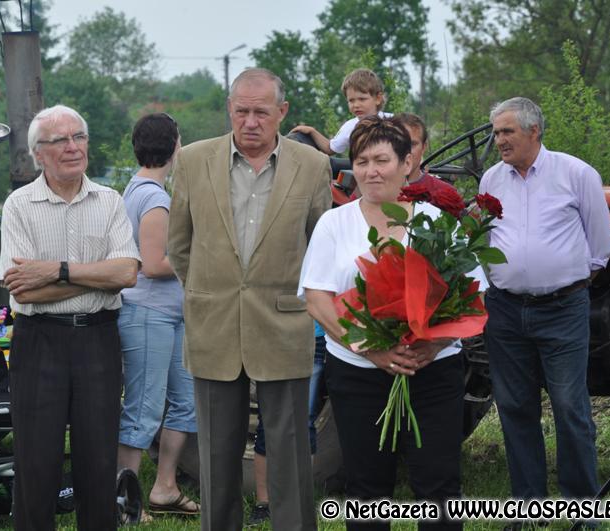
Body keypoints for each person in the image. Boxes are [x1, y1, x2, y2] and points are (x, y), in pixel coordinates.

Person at [167, 67, 332, 531]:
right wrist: (210, 290)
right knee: (217, 452)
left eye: (262, 111)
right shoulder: (194, 161)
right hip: (213, 324)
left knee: (290, 451)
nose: (251, 121)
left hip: (285, 324)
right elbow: (179, 246)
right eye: (242, 110)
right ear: (229, 110)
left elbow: (320, 247)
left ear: (282, 113)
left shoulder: (313, 165)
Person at [299, 115, 466, 531]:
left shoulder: (438, 223)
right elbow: (318, 299)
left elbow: (469, 298)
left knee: (439, 486)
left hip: (432, 374)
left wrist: (431, 346)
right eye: (360, 161)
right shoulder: (334, 223)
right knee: (367, 487)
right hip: (359, 377)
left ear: (407, 163)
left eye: (381, 160)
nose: (370, 171)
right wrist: (371, 349)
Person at [0, 104, 140, 530]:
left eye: (79, 137)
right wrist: (99, 277)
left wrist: (56, 270)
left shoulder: (110, 200)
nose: (73, 147)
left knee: (97, 461)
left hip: (97, 340)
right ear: (38, 154)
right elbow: (22, 287)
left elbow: (128, 273)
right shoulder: (19, 205)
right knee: (36, 461)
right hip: (38, 340)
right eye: (60, 140)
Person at [479, 97, 610, 527]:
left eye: (507, 132)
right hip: (504, 310)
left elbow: (600, 248)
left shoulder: (576, 174)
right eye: (496, 133)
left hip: (562, 310)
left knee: (570, 408)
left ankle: (582, 511)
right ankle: (527, 507)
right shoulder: (491, 179)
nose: (499, 140)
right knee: (515, 407)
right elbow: (484, 237)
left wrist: (562, 282)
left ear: (534, 131)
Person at [116, 113, 198, 519]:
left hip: (171, 317)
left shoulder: (141, 189)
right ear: (175, 146)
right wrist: (201, 255)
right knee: (144, 409)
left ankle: (164, 488)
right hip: (148, 315)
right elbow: (152, 264)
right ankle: (124, 499)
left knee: (186, 403)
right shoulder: (153, 198)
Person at [248, 329, 325, 526]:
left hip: (315, 338)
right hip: (275, 335)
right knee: (267, 421)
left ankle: (300, 500)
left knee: (305, 421)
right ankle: (263, 502)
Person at [291, 68, 393, 155]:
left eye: (362, 99)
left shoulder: (393, 122)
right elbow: (330, 148)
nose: (356, 105)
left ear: (378, 98)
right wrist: (312, 131)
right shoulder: (350, 126)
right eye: (351, 100)